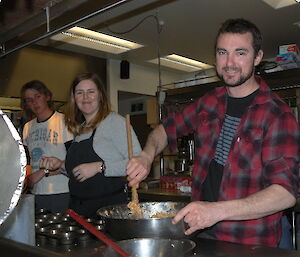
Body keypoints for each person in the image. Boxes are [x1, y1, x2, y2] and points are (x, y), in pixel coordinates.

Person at [126, 18, 300, 247]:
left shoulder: (277, 114)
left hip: (249, 242)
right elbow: (165, 130)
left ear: (257, 57)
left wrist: (215, 211)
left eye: (240, 53)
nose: (229, 62)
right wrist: (147, 156)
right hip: (201, 234)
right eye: (222, 52)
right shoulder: (209, 102)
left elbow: (285, 193)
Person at [40, 72, 142, 218]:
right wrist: (61, 165)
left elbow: (137, 164)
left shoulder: (115, 122)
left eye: (91, 92)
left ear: (100, 95)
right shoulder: (80, 129)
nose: (85, 97)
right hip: (79, 209)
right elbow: (80, 173)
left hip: (107, 210)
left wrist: (100, 167)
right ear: (74, 98)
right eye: (80, 93)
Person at [21, 80, 73, 213]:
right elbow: (27, 161)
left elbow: (74, 162)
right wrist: (27, 180)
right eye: (29, 100)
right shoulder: (28, 127)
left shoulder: (63, 121)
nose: (34, 102)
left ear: (47, 96)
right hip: (36, 192)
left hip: (61, 191)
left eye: (37, 96)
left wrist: (44, 172)